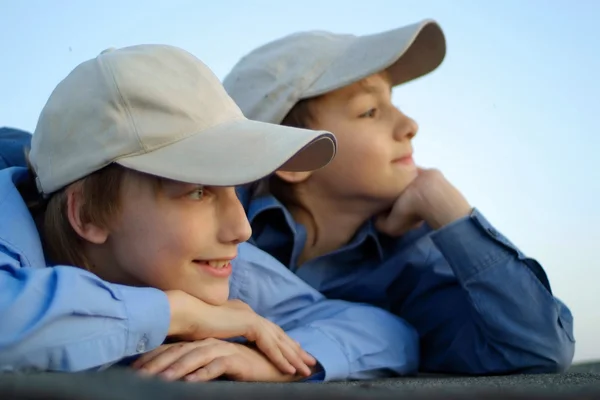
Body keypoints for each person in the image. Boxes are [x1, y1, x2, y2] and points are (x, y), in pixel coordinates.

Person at [0, 45, 419, 382]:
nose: (241, 229)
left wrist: (277, 362)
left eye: (233, 188)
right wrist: (182, 314)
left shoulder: (217, 268)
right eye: (198, 191)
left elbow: (387, 332)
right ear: (88, 215)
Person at [222, 19, 575, 374]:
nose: (410, 125)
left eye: (392, 102)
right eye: (370, 111)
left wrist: (450, 211)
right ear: (295, 156)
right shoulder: (209, 218)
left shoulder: (411, 261)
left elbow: (541, 348)